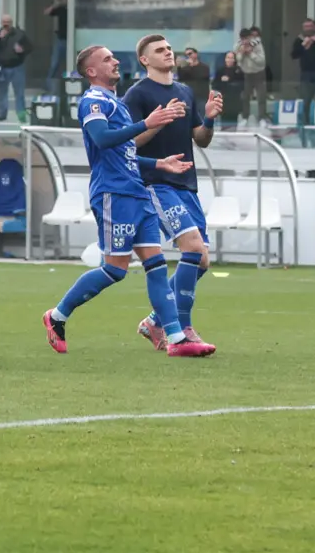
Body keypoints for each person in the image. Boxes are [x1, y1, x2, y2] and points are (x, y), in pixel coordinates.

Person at [39, 44, 210, 358]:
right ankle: (57, 316)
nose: (115, 61)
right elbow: (102, 140)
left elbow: (126, 152)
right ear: (91, 71)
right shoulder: (92, 100)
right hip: (113, 194)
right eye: (107, 59)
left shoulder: (115, 103)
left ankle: (177, 338)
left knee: (157, 267)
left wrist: (159, 164)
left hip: (137, 191)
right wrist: (148, 123)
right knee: (115, 270)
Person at [130, 32, 222, 351]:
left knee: (203, 260)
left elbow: (201, 138)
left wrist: (208, 119)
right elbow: (127, 143)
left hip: (187, 184)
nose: (168, 52)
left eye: (169, 48)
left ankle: (156, 320)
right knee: (193, 248)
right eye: (159, 50)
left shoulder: (184, 90)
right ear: (145, 60)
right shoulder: (137, 94)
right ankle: (181, 328)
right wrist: (159, 120)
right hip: (157, 181)